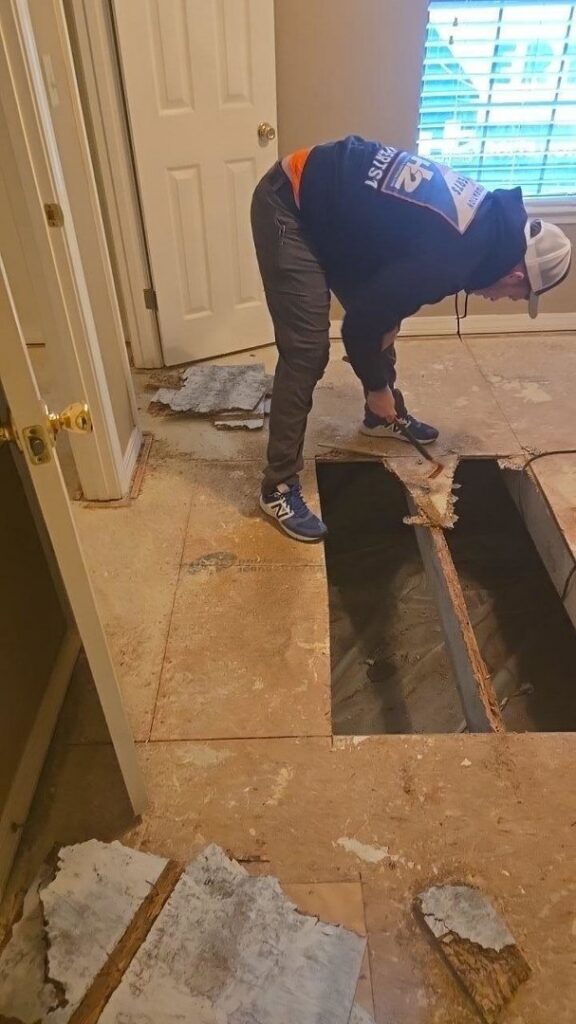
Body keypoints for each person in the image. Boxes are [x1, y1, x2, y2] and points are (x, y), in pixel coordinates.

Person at [251, 135, 572, 542]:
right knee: (308, 350)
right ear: (516, 274)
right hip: (290, 203)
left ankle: (379, 417)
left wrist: (385, 325)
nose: (501, 299)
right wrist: (375, 385)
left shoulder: (489, 224)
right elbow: (357, 327)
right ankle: (277, 487)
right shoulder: (453, 257)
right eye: (516, 295)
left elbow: (386, 298)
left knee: (385, 315)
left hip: (339, 213)